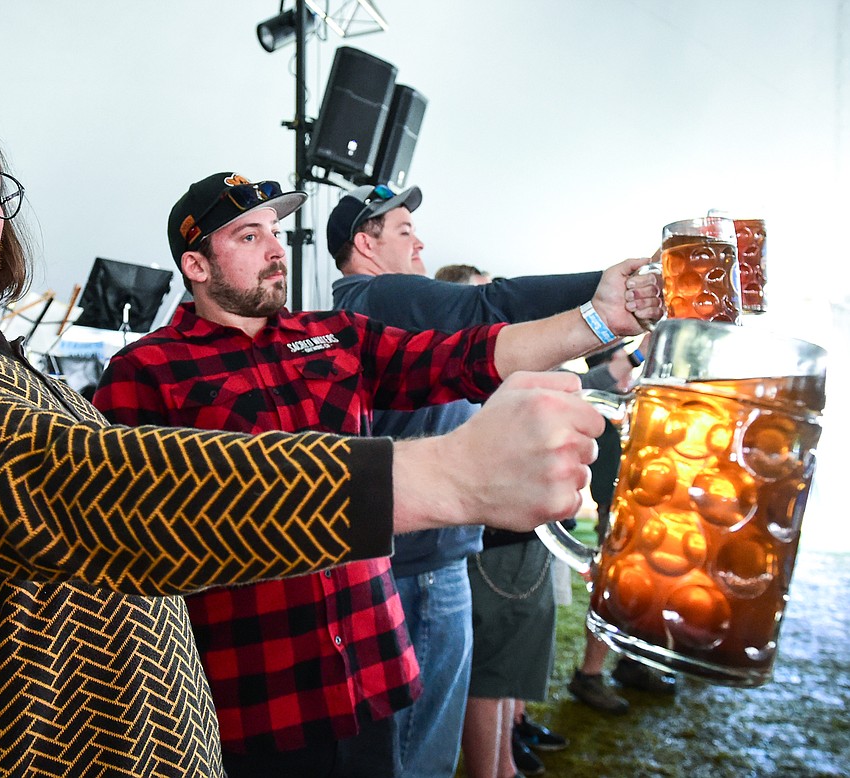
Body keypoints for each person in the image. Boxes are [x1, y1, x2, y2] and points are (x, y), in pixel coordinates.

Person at [0, 64, 624, 778]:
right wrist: (450, 476)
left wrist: (598, 319)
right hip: (231, 718)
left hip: (344, 679)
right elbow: (79, 492)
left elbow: (461, 348)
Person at [92, 172, 662, 778]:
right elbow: (132, 550)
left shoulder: (332, 337)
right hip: (252, 701)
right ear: (197, 265)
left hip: (371, 671)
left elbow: (469, 356)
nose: (275, 249)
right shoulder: (146, 370)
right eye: (248, 236)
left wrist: (598, 320)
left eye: (276, 233)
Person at [327, 184, 655, 778]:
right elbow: (491, 306)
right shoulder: (376, 294)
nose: (420, 240)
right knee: (419, 753)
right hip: (422, 568)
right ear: (364, 245)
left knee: (424, 743)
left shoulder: (381, 310)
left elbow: (495, 345)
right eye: (403, 230)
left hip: (422, 558)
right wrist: (605, 292)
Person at [567, 343, 677, 715]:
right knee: (612, 591)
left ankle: (631, 663)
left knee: (642, 592)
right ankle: (589, 675)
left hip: (642, 509)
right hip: (616, 513)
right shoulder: (600, 405)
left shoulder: (629, 403)